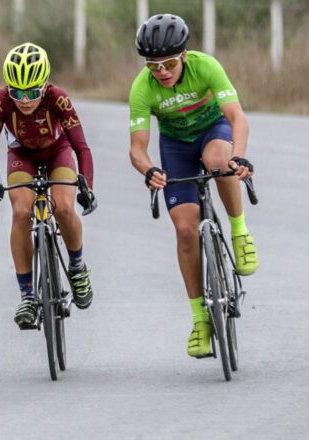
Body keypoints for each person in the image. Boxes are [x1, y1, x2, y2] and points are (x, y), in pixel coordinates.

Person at [128, 14, 259, 358]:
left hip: (213, 130)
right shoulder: (142, 87)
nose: (162, 72)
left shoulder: (206, 67)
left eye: (169, 63)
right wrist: (149, 169)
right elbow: (137, 147)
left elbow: (237, 117)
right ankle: (201, 319)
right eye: (153, 66)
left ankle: (238, 229)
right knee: (185, 229)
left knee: (220, 163)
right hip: (176, 146)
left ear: (183, 56)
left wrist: (239, 157)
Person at [0, 43, 96, 327]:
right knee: (21, 212)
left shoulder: (58, 98)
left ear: (44, 85)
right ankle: (27, 295)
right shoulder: (0, 101)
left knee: (64, 208)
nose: (25, 100)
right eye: (17, 93)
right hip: (21, 156)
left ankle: (77, 268)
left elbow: (82, 148)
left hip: (58, 151)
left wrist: (87, 186)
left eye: (32, 93)